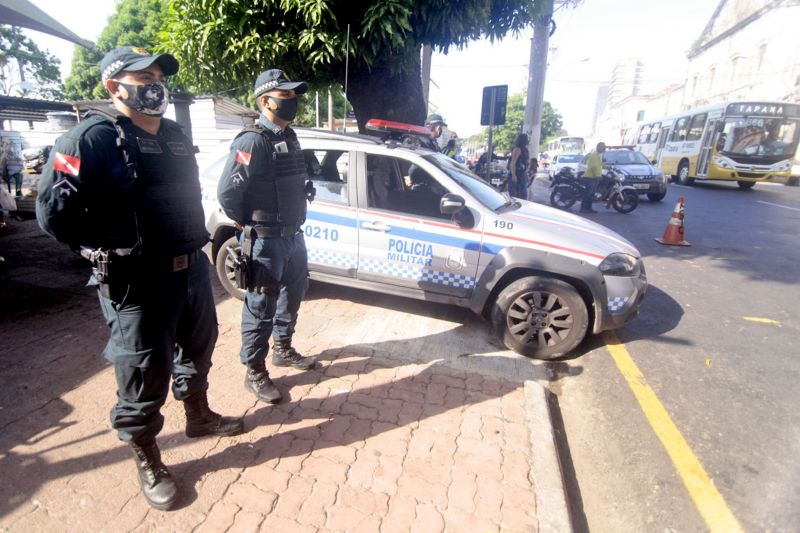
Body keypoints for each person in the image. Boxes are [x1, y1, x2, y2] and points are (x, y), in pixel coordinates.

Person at [36, 46, 244, 511]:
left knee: (199, 348)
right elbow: (54, 216)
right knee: (143, 373)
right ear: (114, 87)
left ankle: (199, 415)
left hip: (190, 270)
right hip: (137, 282)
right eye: (141, 76)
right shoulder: (87, 140)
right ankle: (147, 456)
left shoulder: (172, 134)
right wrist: (103, 249)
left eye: (157, 75)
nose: (154, 83)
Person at [217, 68, 317, 406]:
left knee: (294, 294)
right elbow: (228, 193)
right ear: (265, 100)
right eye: (285, 95)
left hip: (293, 236)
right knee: (261, 306)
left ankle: (283, 349)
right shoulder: (252, 140)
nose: (293, 101)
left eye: (293, 95)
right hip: (266, 240)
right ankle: (255, 371)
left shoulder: (289, 136)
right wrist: (251, 224)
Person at [581, 142, 606, 213]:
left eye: (604, 147)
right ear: (598, 147)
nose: (604, 148)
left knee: (592, 194)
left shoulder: (599, 155)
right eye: (602, 147)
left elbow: (600, 165)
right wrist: (598, 175)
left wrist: (606, 166)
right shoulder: (595, 155)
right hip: (590, 177)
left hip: (594, 177)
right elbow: (594, 166)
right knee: (588, 193)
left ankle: (589, 208)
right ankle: (583, 208)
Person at [509, 133, 530, 199]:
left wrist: (513, 174)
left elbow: (513, 163)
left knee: (517, 193)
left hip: (519, 173)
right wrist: (514, 174)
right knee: (520, 193)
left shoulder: (520, 149)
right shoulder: (522, 150)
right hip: (520, 173)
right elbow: (513, 162)